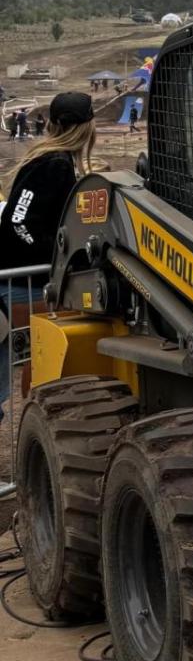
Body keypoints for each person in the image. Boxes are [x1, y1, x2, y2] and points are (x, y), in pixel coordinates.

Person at [0, 92, 96, 430]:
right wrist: (54, 255)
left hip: (29, 280)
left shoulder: (56, 160)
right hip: (27, 284)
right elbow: (17, 222)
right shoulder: (52, 164)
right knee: (38, 361)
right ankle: (35, 436)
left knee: (31, 360)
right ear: (88, 126)